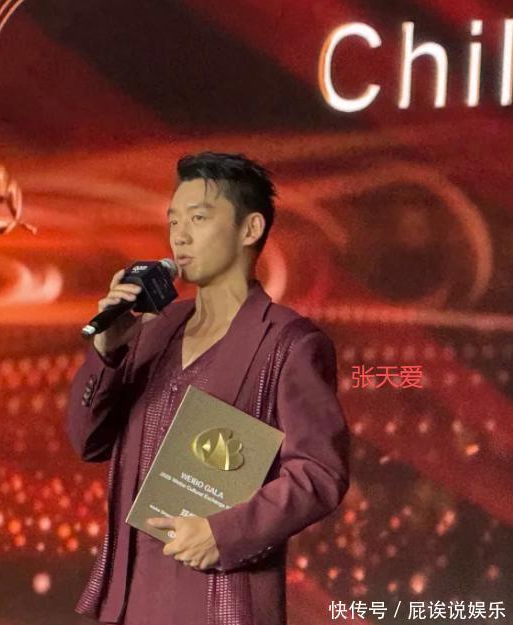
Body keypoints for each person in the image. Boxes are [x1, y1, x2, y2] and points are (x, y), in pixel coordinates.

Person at [66, 151, 350, 625]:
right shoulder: (154, 329)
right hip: (132, 598)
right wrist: (108, 351)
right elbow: (87, 440)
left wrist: (224, 533)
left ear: (250, 228)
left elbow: (319, 473)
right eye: (173, 220)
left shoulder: (289, 343)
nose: (179, 235)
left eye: (198, 218)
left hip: (219, 599)